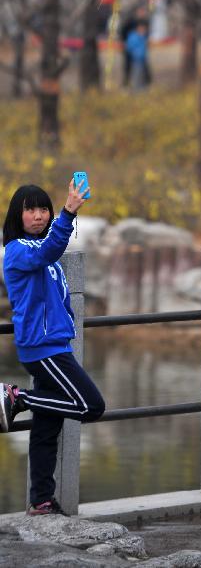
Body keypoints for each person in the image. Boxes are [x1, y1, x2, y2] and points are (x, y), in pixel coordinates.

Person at [0, 181, 105, 515]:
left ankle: (41, 499)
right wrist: (69, 211)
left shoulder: (41, 251)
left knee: (47, 426)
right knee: (91, 406)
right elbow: (48, 251)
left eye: (43, 208)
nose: (38, 215)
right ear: (17, 215)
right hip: (43, 349)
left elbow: (56, 291)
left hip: (54, 344)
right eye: (30, 209)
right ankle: (18, 398)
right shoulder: (18, 249)